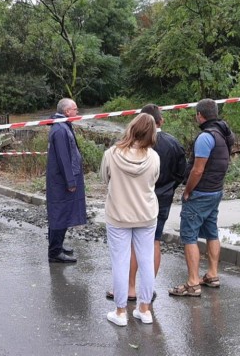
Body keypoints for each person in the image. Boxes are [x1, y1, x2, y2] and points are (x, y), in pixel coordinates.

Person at [105, 104, 186, 301]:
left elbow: (108, 178)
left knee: (127, 250)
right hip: (160, 201)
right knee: (154, 244)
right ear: (161, 121)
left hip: (127, 203)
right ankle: (147, 291)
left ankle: (129, 288)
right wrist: (169, 188)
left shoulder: (119, 151)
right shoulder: (173, 144)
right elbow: (181, 173)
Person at [169, 98, 235, 297]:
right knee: (211, 232)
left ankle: (192, 283)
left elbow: (197, 170)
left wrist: (187, 190)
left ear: (200, 115)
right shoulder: (225, 133)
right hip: (216, 191)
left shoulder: (206, 137)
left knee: (189, 236)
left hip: (201, 193)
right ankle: (213, 275)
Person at [100, 113, 160, 326]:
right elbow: (154, 180)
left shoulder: (111, 154)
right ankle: (145, 309)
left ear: (131, 128)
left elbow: (104, 178)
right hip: (146, 214)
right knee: (146, 261)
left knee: (120, 262)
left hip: (118, 214)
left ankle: (120, 311)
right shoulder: (154, 157)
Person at [45, 98, 87, 263]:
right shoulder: (60, 130)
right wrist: (70, 182)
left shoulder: (63, 125)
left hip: (61, 180)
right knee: (59, 214)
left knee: (62, 213)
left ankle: (57, 246)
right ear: (67, 111)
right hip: (61, 182)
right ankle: (54, 253)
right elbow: (64, 159)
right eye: (75, 109)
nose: (77, 112)